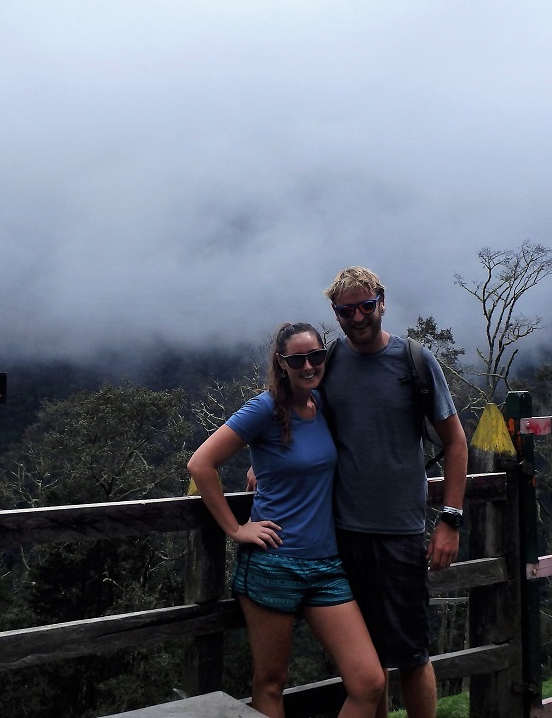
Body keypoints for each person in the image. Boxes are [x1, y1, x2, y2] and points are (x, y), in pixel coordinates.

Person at [187, 322, 386, 718]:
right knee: (272, 683)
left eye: (316, 356)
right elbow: (200, 463)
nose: (309, 365)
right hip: (273, 564)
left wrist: (262, 468)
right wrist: (235, 528)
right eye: (298, 359)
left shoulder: (322, 404)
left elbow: (301, 460)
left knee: (369, 682)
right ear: (281, 362)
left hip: (326, 566)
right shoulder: (265, 408)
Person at [322, 267, 469, 718]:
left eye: (366, 305)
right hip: (342, 534)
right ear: (336, 313)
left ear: (382, 302)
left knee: (411, 655)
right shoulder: (328, 364)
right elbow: (303, 424)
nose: (358, 317)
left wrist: (450, 518)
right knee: (365, 666)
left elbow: (456, 442)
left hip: (400, 532)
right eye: (347, 310)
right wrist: (262, 467)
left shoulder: (416, 361)